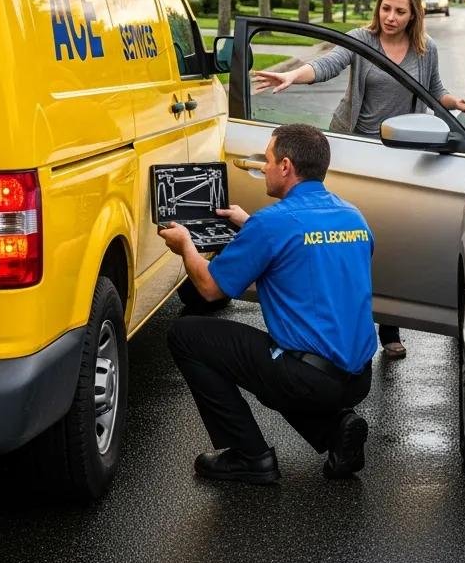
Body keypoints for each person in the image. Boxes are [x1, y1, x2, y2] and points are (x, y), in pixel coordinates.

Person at [252, 0, 465, 361]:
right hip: (355, 149)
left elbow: (433, 89)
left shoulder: (426, 50)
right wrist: (293, 75)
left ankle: (389, 324)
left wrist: (453, 102)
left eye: (400, 11)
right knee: (350, 242)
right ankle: (346, 322)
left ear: (413, 15)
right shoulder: (363, 39)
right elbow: (328, 64)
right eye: (386, 8)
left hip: (400, 154)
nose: (390, 17)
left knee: (390, 239)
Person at [157, 123, 376, 485]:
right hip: (357, 378)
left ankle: (249, 456)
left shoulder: (272, 224)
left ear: (286, 167)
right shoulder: (354, 217)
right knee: (276, 360)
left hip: (308, 377)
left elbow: (210, 289)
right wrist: (249, 225)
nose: (264, 167)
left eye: (268, 160)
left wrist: (186, 247)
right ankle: (335, 430)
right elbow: (309, 248)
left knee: (186, 334)